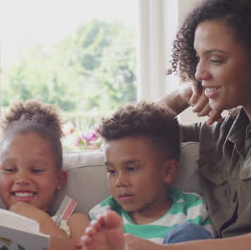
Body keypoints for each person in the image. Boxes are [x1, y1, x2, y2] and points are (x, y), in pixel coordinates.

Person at [80, 0, 251, 250]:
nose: (199, 72)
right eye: (197, 58)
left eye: (215, 59)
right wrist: (183, 94)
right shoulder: (224, 131)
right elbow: (132, 137)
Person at [87, 101, 213, 245]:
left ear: (168, 171)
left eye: (131, 168)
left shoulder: (194, 210)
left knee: (190, 233)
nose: (119, 182)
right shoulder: (103, 216)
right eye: (111, 171)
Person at [0, 100, 90, 249]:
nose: (22, 179)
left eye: (36, 170)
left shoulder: (75, 222)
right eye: (10, 170)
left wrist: (42, 222)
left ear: (59, 180)